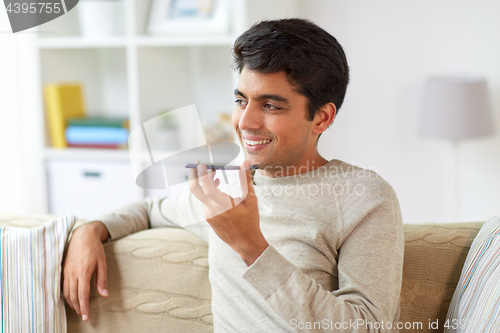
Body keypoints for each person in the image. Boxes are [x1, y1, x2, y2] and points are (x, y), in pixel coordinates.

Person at [63, 18, 404, 332]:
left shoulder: (364, 196)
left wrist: (252, 248)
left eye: (271, 105)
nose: (245, 122)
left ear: (322, 118)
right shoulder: (225, 188)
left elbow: (368, 326)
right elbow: (150, 211)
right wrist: (90, 231)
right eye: (242, 101)